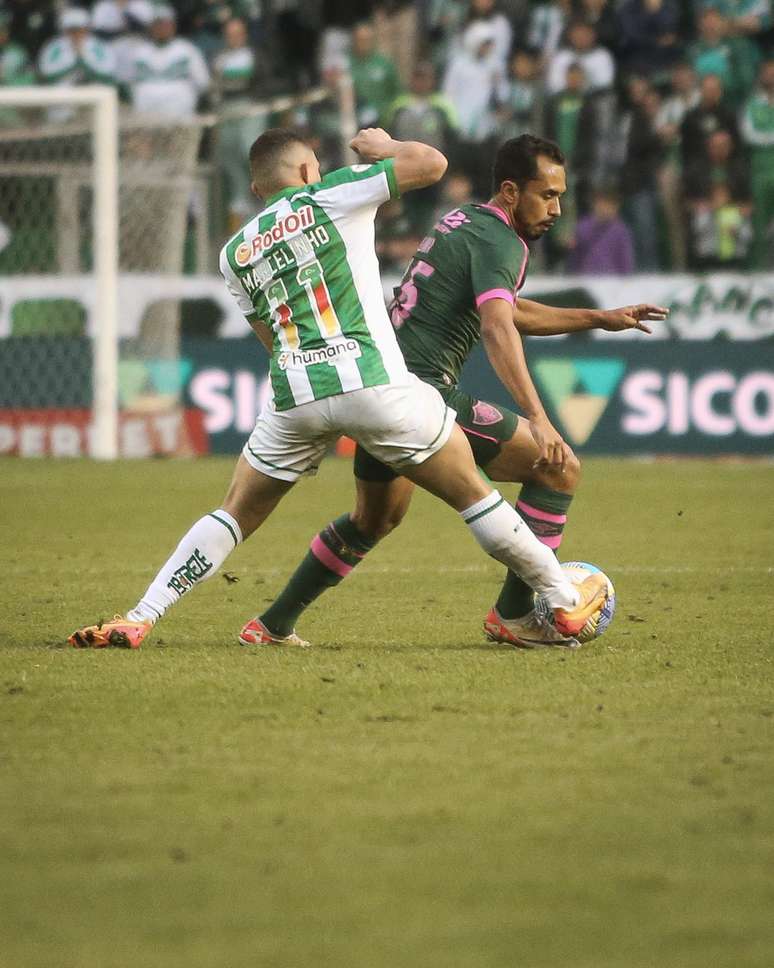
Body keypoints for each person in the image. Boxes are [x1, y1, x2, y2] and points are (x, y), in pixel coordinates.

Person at [68, 128, 611, 650]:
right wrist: (384, 148)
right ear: (307, 170)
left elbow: (270, 337)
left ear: (258, 189)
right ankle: (562, 598)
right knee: (475, 495)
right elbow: (432, 164)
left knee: (234, 513)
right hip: (375, 385)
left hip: (296, 395)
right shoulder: (329, 193)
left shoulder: (233, 252)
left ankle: (142, 615)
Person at [250, 134, 668, 651]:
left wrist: (600, 318)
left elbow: (506, 307)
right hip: (422, 395)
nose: (557, 209)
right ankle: (515, 616)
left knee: (373, 519)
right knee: (557, 468)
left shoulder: (466, 222)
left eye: (561, 196)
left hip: (381, 389)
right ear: (512, 192)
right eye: (547, 195)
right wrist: (537, 416)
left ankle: (272, 624)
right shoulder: (502, 242)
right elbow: (497, 326)